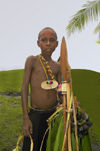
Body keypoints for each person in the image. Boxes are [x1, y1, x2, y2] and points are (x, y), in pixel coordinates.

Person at [21, 27, 61, 151]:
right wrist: (26, 118)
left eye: (52, 40)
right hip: (35, 115)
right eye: (44, 40)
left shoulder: (57, 66)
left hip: (52, 115)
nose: (48, 43)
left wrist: (65, 103)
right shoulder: (32, 61)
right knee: (31, 146)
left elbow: (60, 90)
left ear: (56, 44)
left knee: (47, 145)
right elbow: (24, 88)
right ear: (38, 43)